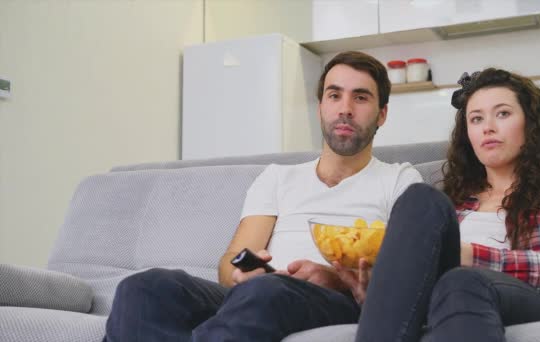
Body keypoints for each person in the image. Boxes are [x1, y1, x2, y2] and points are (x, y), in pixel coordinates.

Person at [102, 51, 423, 342]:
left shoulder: (400, 180)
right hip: (256, 294)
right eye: (334, 95)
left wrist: (338, 280)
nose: (345, 109)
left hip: (335, 301)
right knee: (146, 286)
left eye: (361, 98)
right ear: (321, 106)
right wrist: (243, 271)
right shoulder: (278, 177)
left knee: (267, 292)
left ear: (382, 114)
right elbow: (232, 262)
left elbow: (408, 272)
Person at [336, 68, 540, 342]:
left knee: (461, 280)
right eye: (476, 119)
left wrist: (463, 256)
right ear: (468, 135)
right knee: (420, 198)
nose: (488, 127)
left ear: (531, 123)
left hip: (539, 304)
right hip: (446, 302)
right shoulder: (451, 204)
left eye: (502, 113)